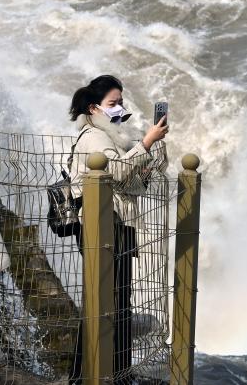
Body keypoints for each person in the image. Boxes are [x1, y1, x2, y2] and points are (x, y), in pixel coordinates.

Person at [67, 74, 167, 385]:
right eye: (113, 103)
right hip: (101, 229)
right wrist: (146, 142)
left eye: (121, 102)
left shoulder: (113, 138)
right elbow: (118, 172)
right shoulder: (94, 138)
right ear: (94, 108)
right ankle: (88, 375)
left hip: (118, 228)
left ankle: (117, 372)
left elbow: (132, 184)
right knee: (104, 305)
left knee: (118, 302)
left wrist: (153, 152)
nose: (119, 108)